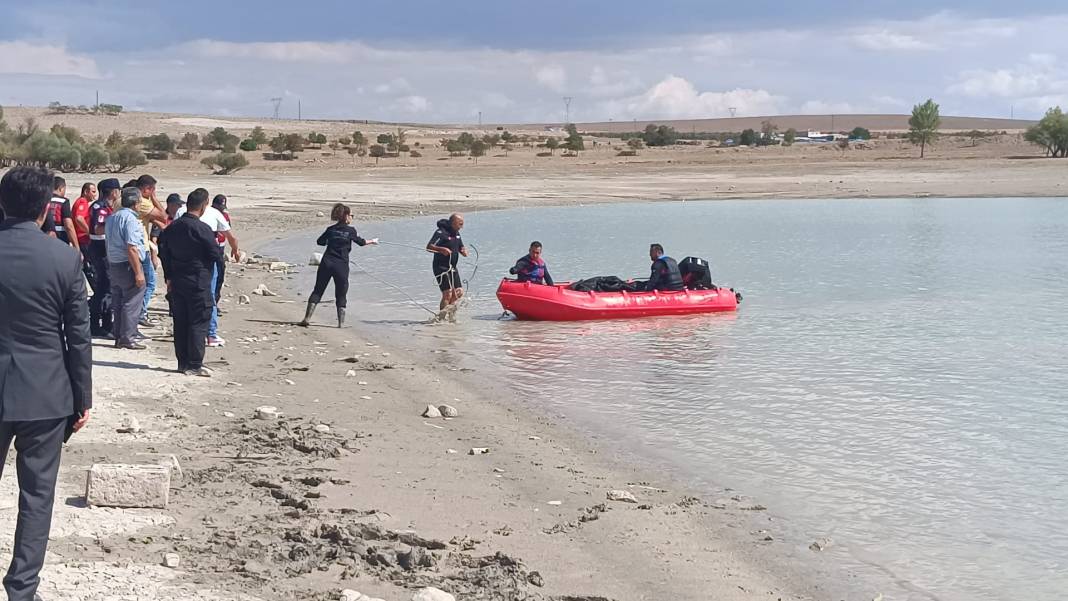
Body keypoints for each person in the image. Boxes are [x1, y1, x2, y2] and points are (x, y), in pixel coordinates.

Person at [0, 166, 92, 601]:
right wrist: (83, 398)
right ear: (44, 209)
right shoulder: (63, 257)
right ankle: (22, 589)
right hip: (46, 392)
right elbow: (78, 335)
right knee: (36, 498)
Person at [159, 188, 224, 377]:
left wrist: (168, 276)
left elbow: (164, 253)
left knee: (181, 321)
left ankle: (183, 362)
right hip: (198, 281)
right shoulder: (202, 228)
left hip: (178, 280)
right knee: (198, 321)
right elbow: (216, 255)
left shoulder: (172, 227)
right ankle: (194, 364)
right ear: (204, 205)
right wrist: (218, 282)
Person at [299, 203, 378, 328]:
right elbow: (361, 242)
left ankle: (307, 318)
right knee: (341, 293)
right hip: (341, 265)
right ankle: (341, 324)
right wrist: (373, 241)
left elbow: (320, 242)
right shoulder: (351, 231)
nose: (352, 217)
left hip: (326, 263)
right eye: (352, 215)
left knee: (318, 290)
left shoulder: (331, 230)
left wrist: (331, 240)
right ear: (346, 216)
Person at [106, 187, 149, 350]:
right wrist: (138, 272)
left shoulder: (112, 217)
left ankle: (118, 335)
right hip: (127, 264)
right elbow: (131, 247)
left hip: (114, 263)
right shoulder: (130, 220)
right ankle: (128, 337)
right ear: (135, 203)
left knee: (118, 301)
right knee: (132, 300)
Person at [87, 179, 120, 337]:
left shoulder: (108, 207)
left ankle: (107, 324)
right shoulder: (99, 207)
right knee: (103, 288)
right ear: (113, 192)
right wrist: (113, 223)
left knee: (108, 288)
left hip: (106, 249)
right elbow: (98, 229)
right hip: (100, 249)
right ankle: (95, 324)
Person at [134, 175, 168, 328]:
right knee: (150, 283)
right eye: (153, 189)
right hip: (141, 247)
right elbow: (163, 215)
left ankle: (137, 312)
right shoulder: (143, 202)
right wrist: (154, 198)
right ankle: (140, 313)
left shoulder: (127, 200)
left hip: (133, 246)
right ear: (147, 189)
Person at [426, 213, 468, 310]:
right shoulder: (441, 232)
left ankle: (450, 315)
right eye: (460, 224)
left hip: (452, 267)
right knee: (447, 293)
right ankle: (441, 318)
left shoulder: (457, 233)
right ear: (453, 223)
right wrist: (441, 249)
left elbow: (460, 246)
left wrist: (463, 250)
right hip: (440, 267)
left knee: (459, 292)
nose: (462, 227)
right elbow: (429, 247)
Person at [47, 176, 78, 251]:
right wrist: (76, 247)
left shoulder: (43, 200)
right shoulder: (63, 201)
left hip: (44, 238)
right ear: (61, 188)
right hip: (61, 238)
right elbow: (69, 226)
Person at [210, 194, 231, 303]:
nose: (221, 210)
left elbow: (228, 231)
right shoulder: (208, 214)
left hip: (221, 247)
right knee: (212, 274)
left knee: (220, 274)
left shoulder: (225, 216)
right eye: (219, 207)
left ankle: (215, 300)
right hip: (210, 247)